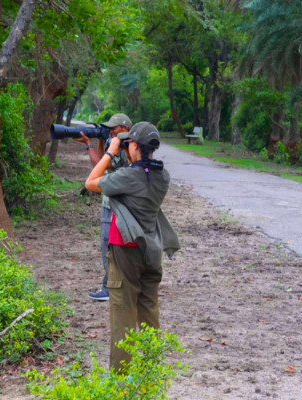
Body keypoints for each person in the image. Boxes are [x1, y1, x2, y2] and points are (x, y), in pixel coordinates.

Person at [84, 122, 180, 371]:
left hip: (125, 251)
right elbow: (140, 171)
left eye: (129, 145)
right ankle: (150, 372)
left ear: (135, 146)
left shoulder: (127, 176)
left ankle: (121, 382)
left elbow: (91, 182)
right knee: (149, 312)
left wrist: (109, 151)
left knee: (123, 315)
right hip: (152, 250)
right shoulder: (163, 176)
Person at [73, 114, 132, 301]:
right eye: (109, 128)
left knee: (108, 245)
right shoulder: (117, 144)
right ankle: (113, 286)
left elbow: (102, 168)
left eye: (114, 128)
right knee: (113, 246)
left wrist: (104, 145)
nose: (111, 130)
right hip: (115, 203)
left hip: (115, 204)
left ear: (124, 128)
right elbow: (100, 167)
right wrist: (95, 143)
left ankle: (111, 288)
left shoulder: (124, 148)